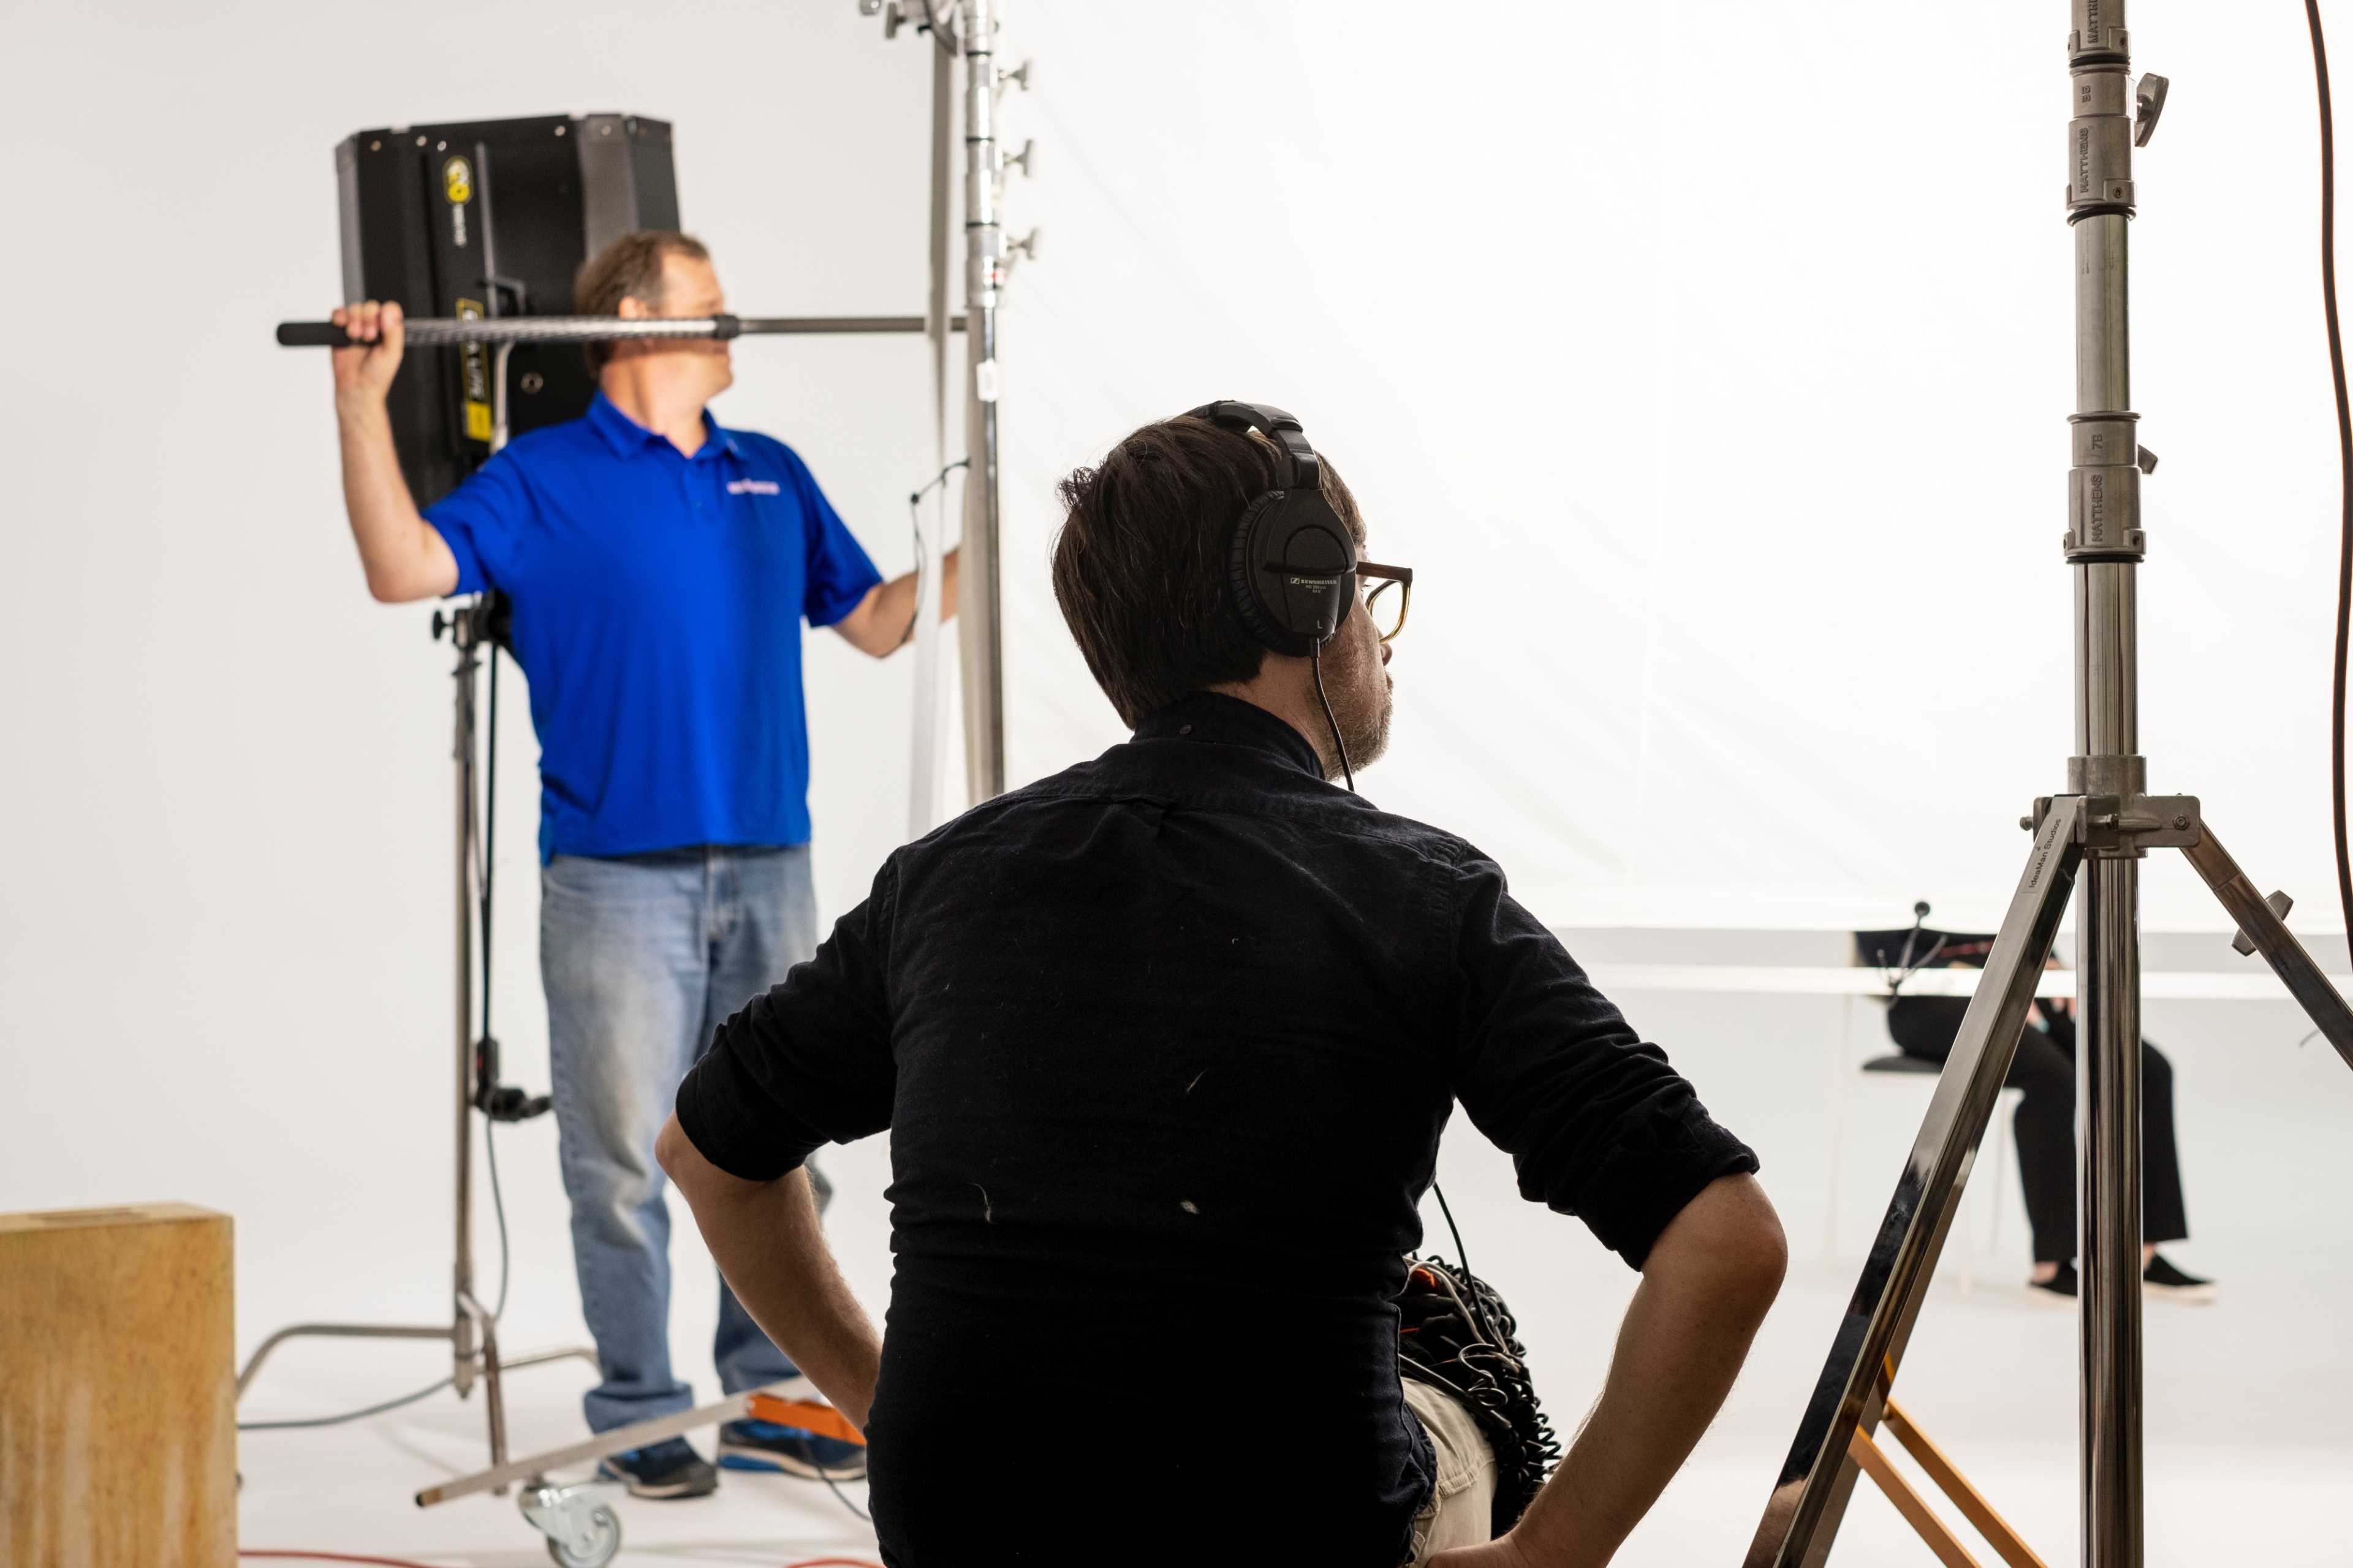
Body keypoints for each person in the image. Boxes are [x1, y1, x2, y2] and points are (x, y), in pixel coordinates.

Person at [656, 404, 1788, 1566]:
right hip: (1292, 1539)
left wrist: (887, 1402)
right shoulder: (1427, 894)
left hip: (967, 1533)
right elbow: (1726, 1238)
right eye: (1361, 589)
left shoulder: (942, 879)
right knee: (1466, 1370)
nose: (1381, 638)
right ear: (1301, 596)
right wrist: (1555, 1553)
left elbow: (708, 1152)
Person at [328, 230, 953, 1498]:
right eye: (714, 307)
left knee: (777, 1140)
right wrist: (359, 402)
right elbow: (404, 568)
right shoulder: (541, 476)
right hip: (615, 878)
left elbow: (882, 623)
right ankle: (642, 1407)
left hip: (771, 863)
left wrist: (994, 522)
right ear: (634, 318)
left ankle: (773, 1393)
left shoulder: (767, 472)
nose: (736, 328)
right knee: (622, 1157)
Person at [1887, 954, 2214, 1303]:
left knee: (2146, 1069)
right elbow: (1890, 946)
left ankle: (2142, 1255)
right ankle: (2052, 1266)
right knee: (2053, 1078)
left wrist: (2053, 966)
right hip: (1931, 1000)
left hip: (2024, 985)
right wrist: (1996, 978)